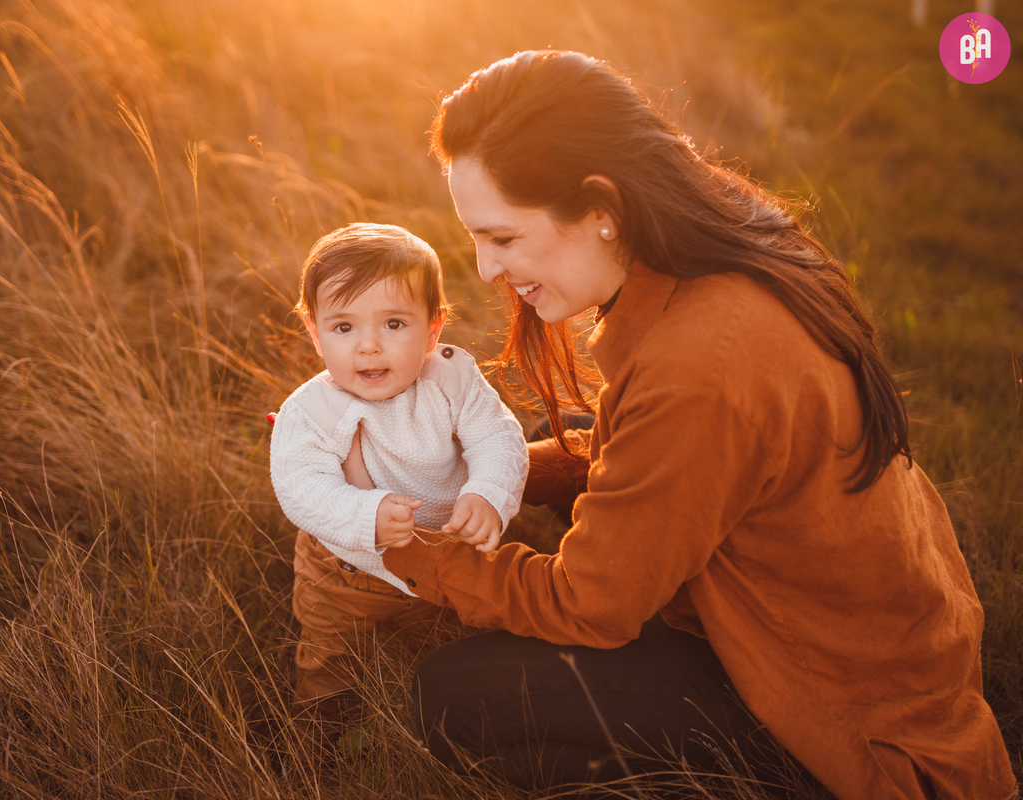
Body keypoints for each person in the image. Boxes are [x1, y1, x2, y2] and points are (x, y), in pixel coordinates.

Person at [355, 51, 1017, 799]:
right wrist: (465, 482)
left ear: (601, 208)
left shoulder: (700, 367)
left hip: (837, 708)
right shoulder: (724, 237)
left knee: (452, 698)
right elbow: (623, 439)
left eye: (503, 238)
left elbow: (587, 605)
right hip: (882, 634)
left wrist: (402, 543)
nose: (484, 270)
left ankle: (758, 780)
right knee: (559, 423)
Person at [268, 222, 528, 719]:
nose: (369, 346)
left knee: (436, 639)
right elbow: (301, 487)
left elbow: (496, 435)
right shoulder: (312, 411)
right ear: (315, 332)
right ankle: (320, 735)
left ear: (434, 326)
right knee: (330, 657)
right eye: (344, 327)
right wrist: (365, 513)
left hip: (439, 551)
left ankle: (430, 704)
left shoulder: (451, 378)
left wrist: (489, 491)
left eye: (394, 324)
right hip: (344, 570)